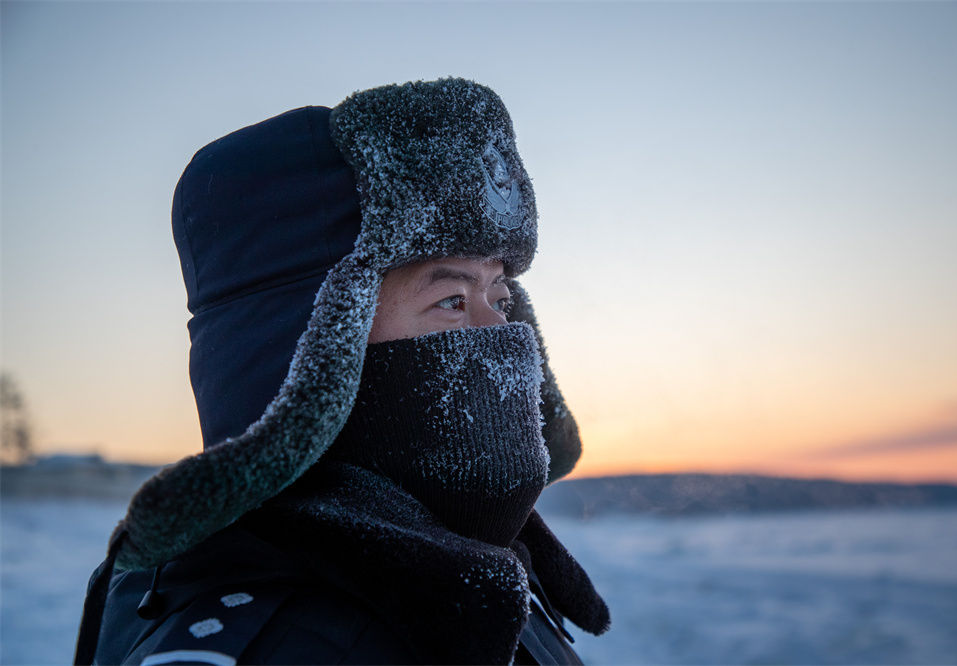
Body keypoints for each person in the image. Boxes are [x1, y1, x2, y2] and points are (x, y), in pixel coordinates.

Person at [74, 78, 610, 665]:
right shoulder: (272, 639)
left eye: (501, 299)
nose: (504, 337)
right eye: (452, 300)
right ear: (313, 348)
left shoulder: (476, 571)